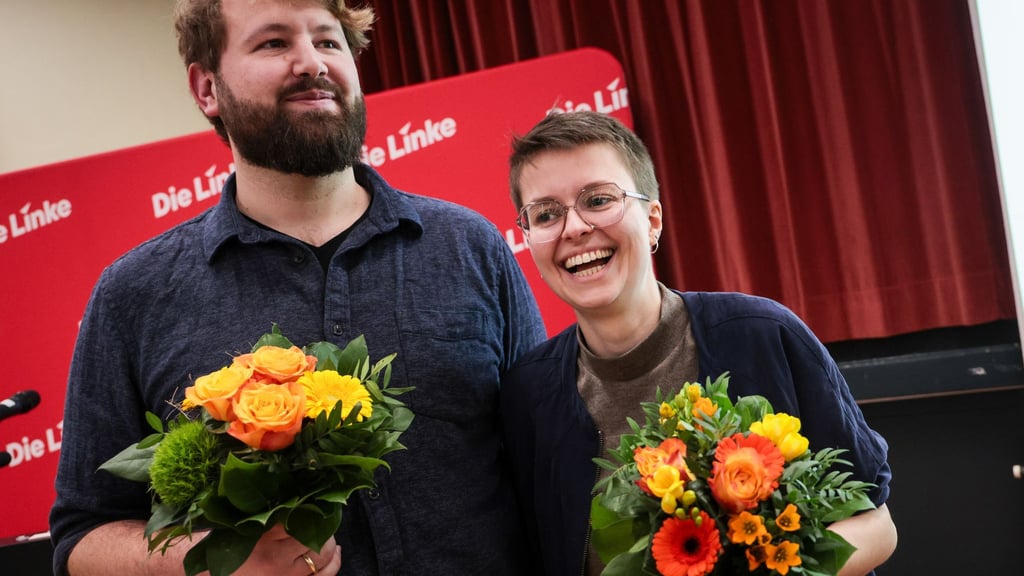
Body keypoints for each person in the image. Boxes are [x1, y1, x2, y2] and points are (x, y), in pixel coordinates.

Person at [48, 1, 546, 575]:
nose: (311, 63)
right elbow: (81, 541)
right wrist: (215, 563)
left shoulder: (470, 247)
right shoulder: (134, 293)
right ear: (207, 87)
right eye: (273, 43)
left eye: (329, 42)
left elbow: (549, 467)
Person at [499, 110, 897, 576]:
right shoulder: (528, 395)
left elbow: (876, 525)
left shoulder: (762, 335)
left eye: (598, 199)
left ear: (652, 221)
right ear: (528, 237)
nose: (574, 228)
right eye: (546, 214)